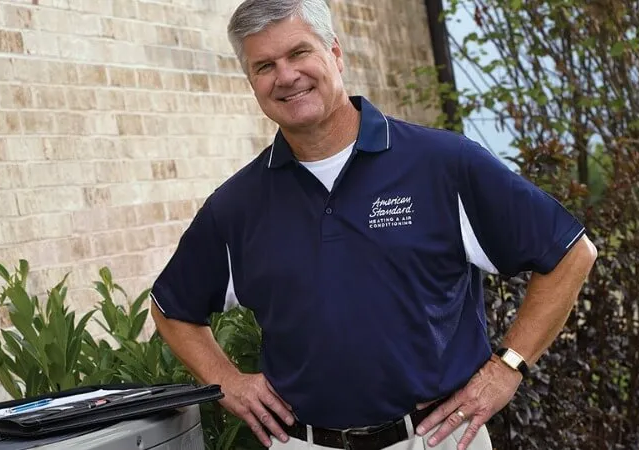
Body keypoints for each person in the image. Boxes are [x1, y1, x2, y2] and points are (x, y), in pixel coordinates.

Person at [149, 0, 598, 449]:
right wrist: (227, 380)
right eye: (264, 65)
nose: (285, 76)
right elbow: (171, 308)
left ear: (336, 55)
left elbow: (570, 253)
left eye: (299, 53)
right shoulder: (236, 206)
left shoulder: (442, 164)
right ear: (252, 83)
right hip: (306, 443)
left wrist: (507, 368)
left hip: (435, 438)